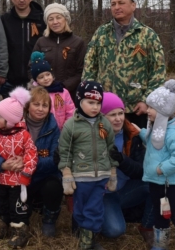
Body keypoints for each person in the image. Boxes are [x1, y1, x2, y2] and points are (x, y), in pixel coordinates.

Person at [82, 0, 165, 128]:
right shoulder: (101, 33)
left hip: (136, 108)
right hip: (105, 107)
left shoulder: (147, 35)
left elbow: (158, 72)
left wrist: (146, 101)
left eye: (121, 3)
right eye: (113, 4)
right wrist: (90, 98)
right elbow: (89, 67)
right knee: (107, 147)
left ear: (133, 5)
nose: (117, 7)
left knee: (135, 147)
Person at [0, 87, 64, 237]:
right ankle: (8, 218)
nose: (40, 109)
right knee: (16, 214)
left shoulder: (53, 128)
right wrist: (3, 164)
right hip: (18, 177)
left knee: (54, 186)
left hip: (43, 176)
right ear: (27, 106)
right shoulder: (12, 122)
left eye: (45, 105)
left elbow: (55, 159)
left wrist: (28, 162)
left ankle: (49, 220)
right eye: (36, 104)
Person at [59, 81, 118, 250]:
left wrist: (112, 171)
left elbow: (111, 148)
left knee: (95, 208)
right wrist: (67, 173)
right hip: (80, 177)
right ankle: (84, 234)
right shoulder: (71, 125)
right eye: (90, 102)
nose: (95, 107)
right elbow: (65, 151)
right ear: (79, 101)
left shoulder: (105, 124)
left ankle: (88, 241)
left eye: (98, 103)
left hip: (101, 176)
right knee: (79, 209)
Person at [0, 87, 39, 248]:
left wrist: (27, 172)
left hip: (18, 182)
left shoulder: (24, 136)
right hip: (0, 179)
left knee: (18, 207)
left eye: (0, 115)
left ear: (11, 119)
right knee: (1, 204)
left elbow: (32, 154)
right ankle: (1, 225)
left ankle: (20, 231)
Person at [142, 80, 175, 249]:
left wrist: (162, 169)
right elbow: (153, 142)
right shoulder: (157, 128)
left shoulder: (173, 133)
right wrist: (139, 132)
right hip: (157, 182)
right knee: (160, 213)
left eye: (151, 108)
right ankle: (160, 243)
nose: (147, 111)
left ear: (163, 111)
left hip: (172, 184)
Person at [101, 92, 154, 246]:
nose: (118, 118)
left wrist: (123, 160)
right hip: (103, 194)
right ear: (102, 117)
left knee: (157, 184)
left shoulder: (131, 134)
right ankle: (104, 215)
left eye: (121, 113)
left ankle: (147, 226)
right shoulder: (91, 135)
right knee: (115, 231)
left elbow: (142, 170)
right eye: (112, 115)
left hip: (125, 189)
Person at [32, 3, 86, 101]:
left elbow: (81, 71)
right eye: (51, 19)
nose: (55, 22)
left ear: (65, 19)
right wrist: (43, 84)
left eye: (58, 17)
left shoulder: (78, 43)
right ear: (47, 22)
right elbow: (31, 68)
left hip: (69, 95)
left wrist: (63, 86)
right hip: (44, 95)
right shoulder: (41, 42)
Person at [1, 0, 46, 91]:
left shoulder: (42, 19)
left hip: (36, 80)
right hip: (10, 81)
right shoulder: (4, 20)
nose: (21, 0)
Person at [29, 51, 75, 129]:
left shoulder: (63, 92)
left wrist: (67, 127)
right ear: (36, 80)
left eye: (48, 74)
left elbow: (70, 111)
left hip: (62, 130)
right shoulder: (34, 94)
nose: (46, 78)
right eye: (41, 77)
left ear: (52, 74)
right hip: (43, 131)